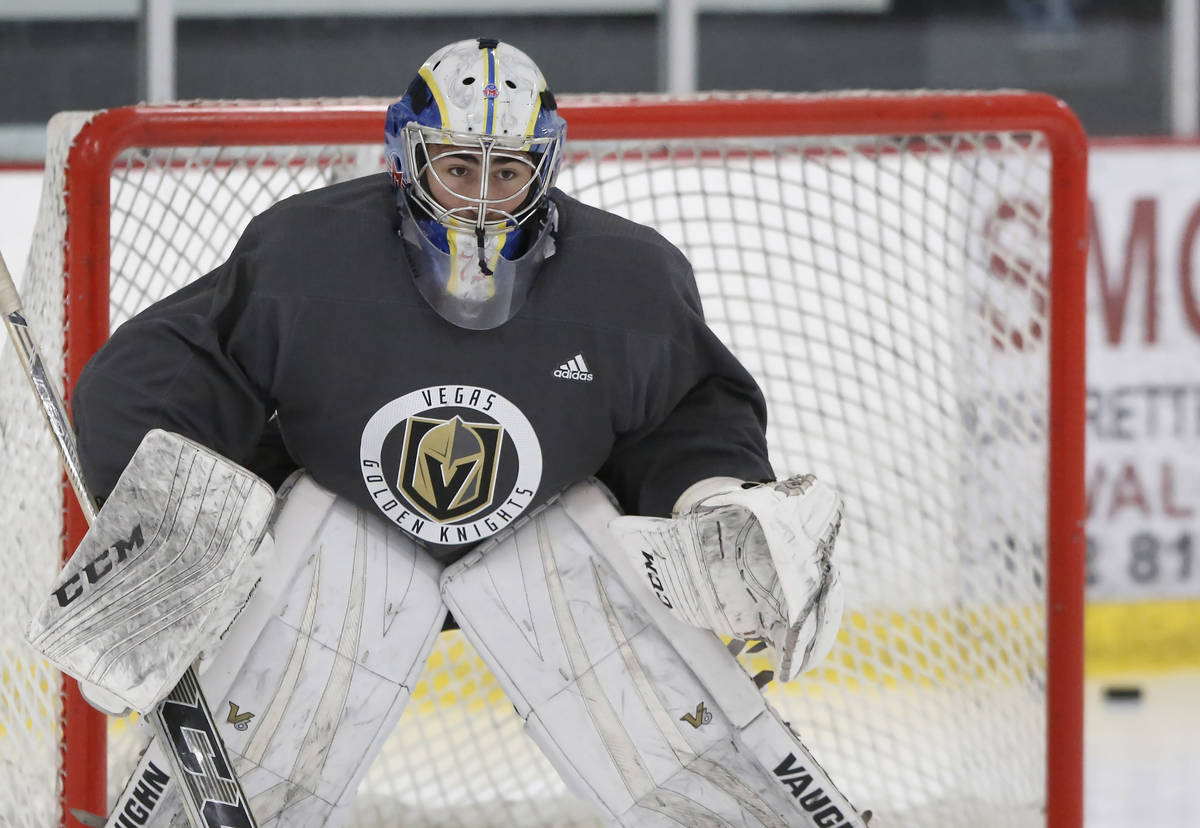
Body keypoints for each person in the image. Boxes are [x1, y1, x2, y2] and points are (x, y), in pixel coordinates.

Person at [69, 37, 861, 827]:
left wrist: (714, 499)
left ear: (544, 169)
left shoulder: (629, 280)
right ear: (406, 159)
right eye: (457, 168)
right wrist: (166, 528)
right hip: (342, 551)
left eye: (508, 171)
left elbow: (689, 414)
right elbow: (161, 380)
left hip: (547, 549)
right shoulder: (304, 258)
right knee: (326, 543)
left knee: (587, 540)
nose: (482, 200)